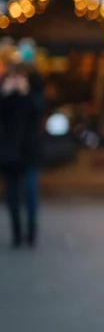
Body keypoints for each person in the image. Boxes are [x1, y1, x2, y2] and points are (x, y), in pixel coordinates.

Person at [0, 38, 45, 248]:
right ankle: (17, 232)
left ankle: (31, 231)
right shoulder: (4, 87)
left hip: (28, 149)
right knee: (12, 193)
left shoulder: (34, 86)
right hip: (9, 150)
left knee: (30, 190)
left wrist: (25, 92)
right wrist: (7, 93)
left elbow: (39, 110)